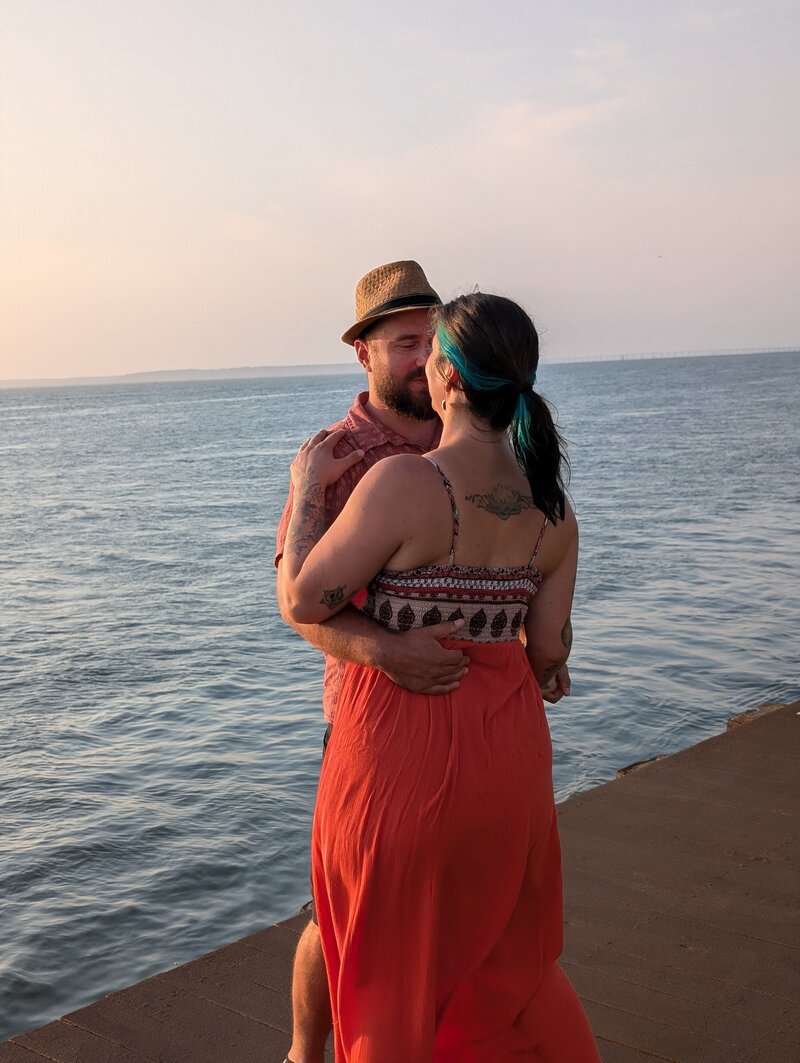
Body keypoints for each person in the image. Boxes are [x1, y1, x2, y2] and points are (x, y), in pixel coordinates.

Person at [281, 292, 599, 1060]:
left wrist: (302, 489)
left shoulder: (403, 485)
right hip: (507, 762)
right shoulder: (553, 508)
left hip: (400, 763)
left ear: (448, 378)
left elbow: (300, 595)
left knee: (389, 958)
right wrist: (537, 657)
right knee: (500, 959)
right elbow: (550, 652)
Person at [274, 261, 475, 1063]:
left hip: (470, 717)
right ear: (363, 351)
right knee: (337, 911)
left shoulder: (474, 430)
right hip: (372, 724)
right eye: (403, 344)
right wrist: (390, 654)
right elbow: (296, 600)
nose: (422, 359)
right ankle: (303, 1053)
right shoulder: (336, 457)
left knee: (453, 905)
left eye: (432, 342)